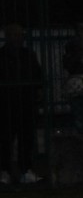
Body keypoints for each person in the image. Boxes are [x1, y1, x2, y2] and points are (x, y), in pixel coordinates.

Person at [0, 23, 43, 184]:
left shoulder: (27, 54)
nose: (18, 38)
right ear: (8, 37)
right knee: (6, 139)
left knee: (26, 139)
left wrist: (37, 90)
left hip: (25, 102)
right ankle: (5, 170)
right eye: (15, 35)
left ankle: (24, 170)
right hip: (7, 103)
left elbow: (37, 75)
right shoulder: (3, 56)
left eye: (20, 35)